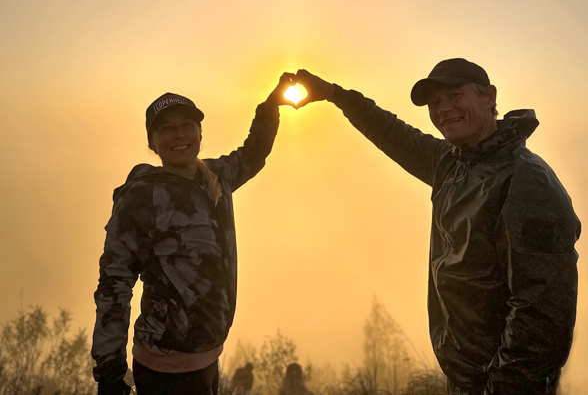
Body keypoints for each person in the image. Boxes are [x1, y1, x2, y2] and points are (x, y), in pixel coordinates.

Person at [295, 59, 581, 395]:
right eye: (435, 103)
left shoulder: (528, 181)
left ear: (489, 97)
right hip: (466, 380)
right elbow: (391, 132)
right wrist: (333, 94)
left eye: (454, 96)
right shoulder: (450, 164)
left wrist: (502, 387)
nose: (443, 109)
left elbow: (543, 314)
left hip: (508, 384)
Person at [91, 74, 296, 395]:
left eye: (187, 125)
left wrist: (270, 106)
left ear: (200, 133)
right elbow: (114, 284)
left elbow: (254, 152)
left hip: (207, 357)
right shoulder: (140, 198)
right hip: (164, 365)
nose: (179, 135)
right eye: (166, 128)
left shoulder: (216, 176)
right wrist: (109, 369)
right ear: (152, 143)